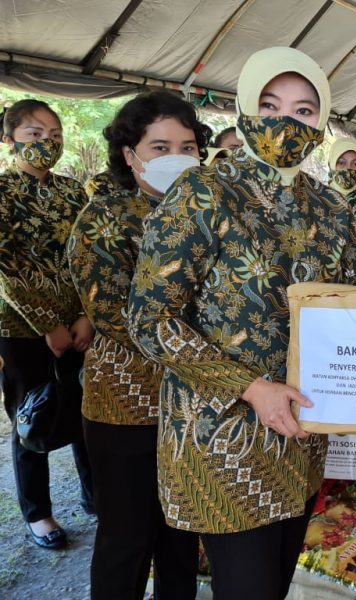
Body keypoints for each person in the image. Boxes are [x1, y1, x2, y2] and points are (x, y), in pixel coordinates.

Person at [127, 47, 356, 599]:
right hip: (222, 435)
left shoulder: (331, 207)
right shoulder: (203, 193)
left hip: (303, 433)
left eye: (305, 110)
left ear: (324, 120)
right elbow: (148, 317)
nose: (286, 120)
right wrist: (251, 387)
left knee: (276, 581)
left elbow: (354, 308)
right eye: (269, 103)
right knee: (247, 587)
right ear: (243, 109)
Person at [67, 91, 205, 599]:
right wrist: (217, 349)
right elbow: (118, 318)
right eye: (161, 145)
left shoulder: (208, 214)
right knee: (127, 537)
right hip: (126, 404)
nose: (177, 158)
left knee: (181, 534)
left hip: (193, 406)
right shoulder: (103, 221)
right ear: (131, 155)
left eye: (188, 147)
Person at [0, 99, 94, 550]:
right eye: (35, 134)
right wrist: (46, 324)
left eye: (54, 135)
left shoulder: (73, 192)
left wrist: (84, 315)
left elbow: (87, 257)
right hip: (20, 329)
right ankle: (38, 513)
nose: (47, 143)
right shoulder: (2, 192)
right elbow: (6, 268)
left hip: (79, 324)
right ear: (9, 138)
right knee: (30, 415)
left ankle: (95, 494)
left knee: (85, 408)